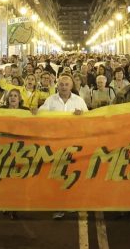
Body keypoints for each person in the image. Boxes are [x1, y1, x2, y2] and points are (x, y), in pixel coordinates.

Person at [38, 74, 87, 220]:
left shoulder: (79, 101)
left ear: (71, 86)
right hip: (55, 143)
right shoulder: (50, 100)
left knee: (72, 174)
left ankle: (71, 202)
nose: (64, 87)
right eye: (61, 84)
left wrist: (82, 115)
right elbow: (41, 115)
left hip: (74, 143)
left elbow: (89, 119)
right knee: (57, 175)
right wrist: (35, 112)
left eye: (67, 84)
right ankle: (58, 205)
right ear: (57, 85)